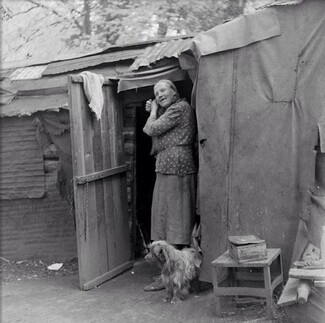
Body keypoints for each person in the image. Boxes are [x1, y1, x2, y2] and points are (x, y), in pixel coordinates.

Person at [143, 79, 197, 291]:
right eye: (156, 93)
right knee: (163, 219)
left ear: (174, 92)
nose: (159, 95)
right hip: (166, 166)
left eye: (162, 90)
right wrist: (155, 113)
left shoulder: (180, 108)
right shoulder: (171, 111)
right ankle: (167, 275)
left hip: (177, 166)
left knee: (175, 220)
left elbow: (151, 128)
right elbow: (153, 132)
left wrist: (153, 111)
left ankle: (177, 275)